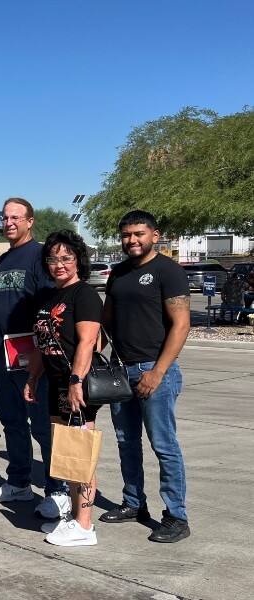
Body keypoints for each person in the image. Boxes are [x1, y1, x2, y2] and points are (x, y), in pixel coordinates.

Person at [101, 210, 191, 543]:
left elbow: (181, 325)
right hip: (120, 371)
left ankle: (176, 517)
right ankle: (134, 503)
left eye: (138, 233)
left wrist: (158, 371)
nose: (132, 240)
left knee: (164, 446)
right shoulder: (119, 273)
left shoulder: (169, 271)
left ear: (155, 235)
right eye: (126, 234)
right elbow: (105, 321)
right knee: (127, 443)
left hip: (154, 370)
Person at [0, 198, 70, 519]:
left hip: (32, 355)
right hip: (3, 354)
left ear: (30, 221)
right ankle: (19, 482)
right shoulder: (5, 258)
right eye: (5, 217)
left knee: (44, 427)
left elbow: (49, 308)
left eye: (16, 217)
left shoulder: (39, 257)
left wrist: (38, 351)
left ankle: (57, 490)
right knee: (12, 422)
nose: (9, 222)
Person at [23, 230, 102, 546]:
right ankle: (74, 519)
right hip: (55, 382)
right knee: (68, 454)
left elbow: (87, 342)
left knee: (82, 455)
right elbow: (45, 345)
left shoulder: (84, 295)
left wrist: (75, 382)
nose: (59, 264)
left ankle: (85, 527)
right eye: (53, 258)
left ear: (78, 261)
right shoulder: (50, 296)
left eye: (66, 258)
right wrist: (32, 378)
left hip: (77, 386)